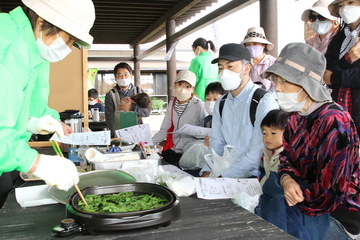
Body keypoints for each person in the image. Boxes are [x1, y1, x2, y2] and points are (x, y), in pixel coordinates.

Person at [259, 42, 359, 239]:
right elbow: (286, 159)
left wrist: (290, 195)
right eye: (276, 80)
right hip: (303, 199)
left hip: (335, 215)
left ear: (306, 84)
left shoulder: (335, 120)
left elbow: (332, 191)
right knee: (274, 194)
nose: (277, 87)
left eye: (284, 81)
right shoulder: (294, 117)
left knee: (275, 208)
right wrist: (286, 180)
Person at [0, 0, 95, 208]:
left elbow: (32, 102)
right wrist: (35, 163)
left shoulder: (34, 49)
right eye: (69, 40)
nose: (69, 49)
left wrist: (43, 119)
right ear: (43, 21)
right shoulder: (5, 40)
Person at [200, 43, 279, 178]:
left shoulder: (263, 101)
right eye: (220, 68)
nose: (224, 72)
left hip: (253, 176)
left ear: (246, 68)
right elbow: (217, 143)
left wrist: (225, 177)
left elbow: (258, 150)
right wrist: (208, 170)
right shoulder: (221, 103)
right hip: (224, 173)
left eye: (230, 66)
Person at [152, 70, 208, 166]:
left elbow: (206, 133)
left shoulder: (199, 105)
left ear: (193, 89)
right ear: (174, 85)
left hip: (190, 154)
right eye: (180, 84)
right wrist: (147, 143)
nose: (183, 89)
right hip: (172, 151)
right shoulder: (172, 103)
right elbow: (164, 129)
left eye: (187, 86)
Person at [324, 0, 360, 134]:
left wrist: (335, 77)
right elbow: (325, 75)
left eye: (351, 2)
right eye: (340, 5)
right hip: (341, 108)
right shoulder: (338, 38)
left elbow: (331, 76)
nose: (345, 8)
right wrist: (348, 58)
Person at [105, 62, 150, 138]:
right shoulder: (111, 95)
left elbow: (146, 112)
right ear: (115, 78)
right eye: (120, 75)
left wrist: (131, 107)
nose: (123, 78)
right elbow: (110, 117)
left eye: (126, 75)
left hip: (138, 132)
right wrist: (115, 136)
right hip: (119, 132)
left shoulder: (139, 92)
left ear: (131, 76)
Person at [240, 27, 276, 93]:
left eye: (255, 43)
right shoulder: (244, 63)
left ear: (263, 45)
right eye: (248, 44)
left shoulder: (272, 62)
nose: (251, 47)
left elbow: (276, 87)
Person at [259, 109, 288, 186]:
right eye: (264, 133)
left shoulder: (287, 157)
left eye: (273, 133)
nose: (267, 137)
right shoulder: (267, 153)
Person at [189, 37, 219, 101]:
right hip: (217, 94)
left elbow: (191, 79)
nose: (194, 52)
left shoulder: (197, 60)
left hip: (201, 94)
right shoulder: (215, 59)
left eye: (194, 50)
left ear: (198, 48)